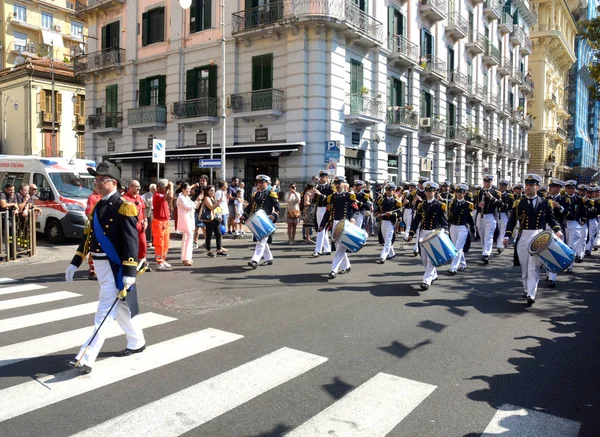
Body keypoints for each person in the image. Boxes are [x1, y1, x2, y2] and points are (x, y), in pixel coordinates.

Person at [64, 161, 145, 374]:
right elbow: (89, 237)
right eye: (97, 180)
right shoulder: (99, 205)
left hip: (115, 266)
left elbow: (131, 241)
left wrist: (129, 272)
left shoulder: (125, 206)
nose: (97, 183)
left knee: (105, 308)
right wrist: (75, 261)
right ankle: (137, 341)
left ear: (114, 183)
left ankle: (86, 356)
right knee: (121, 309)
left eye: (101, 180)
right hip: (100, 264)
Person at [503, 174, 563, 307]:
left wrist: (557, 230)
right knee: (525, 267)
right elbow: (512, 221)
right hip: (523, 236)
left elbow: (551, 219)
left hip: (539, 236)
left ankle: (531, 294)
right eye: (527, 185)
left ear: (537, 187)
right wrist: (507, 236)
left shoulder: (545, 203)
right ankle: (526, 289)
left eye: (531, 185)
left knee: (533, 267)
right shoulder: (519, 203)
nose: (528, 188)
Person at [407, 181, 448, 290]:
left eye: (431, 191)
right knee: (424, 258)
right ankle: (433, 275)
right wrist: (411, 232)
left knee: (431, 258)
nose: (428, 193)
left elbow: (444, 222)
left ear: (435, 192)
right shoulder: (421, 205)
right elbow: (416, 220)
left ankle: (426, 281)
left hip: (433, 233)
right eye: (427, 191)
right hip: (423, 232)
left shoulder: (440, 206)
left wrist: (445, 233)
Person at [319, 175, 358, 279]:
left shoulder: (349, 196)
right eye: (335, 184)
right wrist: (322, 225)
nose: (337, 185)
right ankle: (347, 266)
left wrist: (353, 218)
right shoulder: (331, 197)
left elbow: (354, 209)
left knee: (340, 248)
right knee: (338, 247)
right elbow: (327, 212)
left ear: (343, 184)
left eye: (339, 183)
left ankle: (333, 270)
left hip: (345, 224)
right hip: (335, 223)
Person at [242, 175, 280, 269]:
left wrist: (273, 215)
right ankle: (269, 258)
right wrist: (244, 214)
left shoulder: (271, 194)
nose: (260, 184)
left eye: (262, 182)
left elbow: (278, 208)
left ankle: (255, 260)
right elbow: (250, 206)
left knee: (261, 241)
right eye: (259, 182)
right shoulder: (256, 194)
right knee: (263, 241)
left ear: (266, 183)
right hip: (256, 220)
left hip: (265, 220)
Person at [559, 180, 587, 272]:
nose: (571, 190)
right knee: (564, 245)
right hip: (564, 223)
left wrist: (583, 219)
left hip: (575, 223)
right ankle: (564, 263)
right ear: (566, 189)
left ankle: (570, 266)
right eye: (569, 188)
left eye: (573, 188)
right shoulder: (561, 199)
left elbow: (584, 211)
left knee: (572, 245)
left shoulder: (579, 199)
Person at [123, 180, 150, 273]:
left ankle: (142, 262)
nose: (139, 188)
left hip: (140, 225)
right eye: (136, 186)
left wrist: (145, 220)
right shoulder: (124, 198)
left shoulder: (139, 197)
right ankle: (131, 265)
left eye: (139, 186)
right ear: (130, 187)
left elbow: (143, 210)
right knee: (132, 246)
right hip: (131, 226)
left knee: (143, 244)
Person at [447, 183, 475, 275]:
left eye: (461, 192)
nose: (459, 194)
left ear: (465, 193)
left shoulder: (468, 204)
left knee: (458, 248)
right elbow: (450, 216)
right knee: (455, 247)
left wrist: (473, 229)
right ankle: (462, 264)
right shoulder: (452, 203)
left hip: (463, 227)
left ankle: (453, 267)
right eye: (457, 192)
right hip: (453, 227)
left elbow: (470, 218)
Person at [474, 175, 502, 264]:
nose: (486, 183)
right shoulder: (479, 192)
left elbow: (500, 204)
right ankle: (484, 251)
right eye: (485, 182)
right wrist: (478, 205)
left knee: (488, 236)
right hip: (480, 215)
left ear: (491, 182)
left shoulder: (496, 192)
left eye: (488, 182)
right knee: (482, 235)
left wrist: (491, 198)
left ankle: (486, 254)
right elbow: (474, 203)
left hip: (490, 216)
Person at [375, 182, 402, 264]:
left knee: (388, 240)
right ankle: (392, 253)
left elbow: (400, 213)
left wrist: (392, 214)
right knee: (385, 239)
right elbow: (377, 210)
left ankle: (383, 257)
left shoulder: (396, 201)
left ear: (393, 191)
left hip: (391, 222)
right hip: (383, 222)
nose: (388, 192)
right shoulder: (382, 200)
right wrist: (378, 214)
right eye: (387, 190)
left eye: (390, 190)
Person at [546, 178, 565, 288]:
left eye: (552, 187)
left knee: (555, 252)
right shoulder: (546, 199)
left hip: (558, 228)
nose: (550, 189)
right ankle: (549, 273)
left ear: (557, 188)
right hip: (547, 228)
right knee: (547, 251)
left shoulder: (564, 200)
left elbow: (570, 214)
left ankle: (552, 278)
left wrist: (560, 207)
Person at [201, 185, 228, 257]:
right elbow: (211, 207)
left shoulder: (212, 198)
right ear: (207, 191)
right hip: (209, 220)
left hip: (215, 219)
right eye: (211, 191)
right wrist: (219, 202)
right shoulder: (206, 198)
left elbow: (216, 208)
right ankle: (209, 250)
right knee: (209, 235)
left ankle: (219, 250)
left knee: (218, 234)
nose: (213, 192)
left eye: (214, 190)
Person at [311, 170, 333, 258]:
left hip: (326, 209)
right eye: (320, 177)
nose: (321, 178)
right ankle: (327, 249)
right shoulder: (318, 187)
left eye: (323, 177)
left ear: (327, 178)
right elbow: (314, 201)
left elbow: (330, 199)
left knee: (321, 229)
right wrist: (313, 196)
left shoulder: (330, 188)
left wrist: (320, 194)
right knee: (323, 230)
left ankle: (317, 250)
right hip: (318, 209)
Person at [152, 179, 173, 270]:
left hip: (165, 221)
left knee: (166, 243)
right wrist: (171, 186)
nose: (166, 189)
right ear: (159, 187)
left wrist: (168, 188)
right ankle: (159, 262)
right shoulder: (157, 195)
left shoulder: (163, 195)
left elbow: (169, 197)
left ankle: (163, 260)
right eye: (165, 187)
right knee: (159, 243)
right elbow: (170, 197)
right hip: (158, 222)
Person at [177, 182, 200, 266]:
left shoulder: (187, 197)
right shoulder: (181, 197)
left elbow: (194, 206)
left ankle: (187, 258)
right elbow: (188, 207)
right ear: (183, 189)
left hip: (190, 219)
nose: (189, 190)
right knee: (188, 237)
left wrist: (197, 202)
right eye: (188, 189)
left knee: (188, 238)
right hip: (185, 220)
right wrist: (196, 202)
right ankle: (185, 258)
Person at [495, 179, 514, 254]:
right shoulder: (496, 194)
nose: (501, 187)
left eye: (503, 186)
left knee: (503, 230)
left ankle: (500, 246)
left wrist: (504, 205)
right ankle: (499, 243)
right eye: (500, 185)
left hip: (504, 214)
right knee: (497, 230)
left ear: (506, 187)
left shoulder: (509, 196)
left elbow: (511, 206)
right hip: (496, 214)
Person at [192, 175, 209, 248]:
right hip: (197, 210)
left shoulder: (208, 189)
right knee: (196, 227)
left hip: (206, 210)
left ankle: (207, 242)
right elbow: (192, 192)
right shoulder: (197, 188)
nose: (202, 182)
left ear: (206, 182)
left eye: (204, 181)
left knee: (204, 227)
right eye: (201, 180)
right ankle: (195, 242)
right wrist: (195, 186)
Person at [584, 186, 597, 257]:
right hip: (584, 219)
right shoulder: (582, 200)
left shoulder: (595, 201)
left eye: (591, 193)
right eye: (588, 193)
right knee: (584, 235)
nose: (589, 194)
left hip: (592, 219)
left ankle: (588, 249)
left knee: (592, 235)